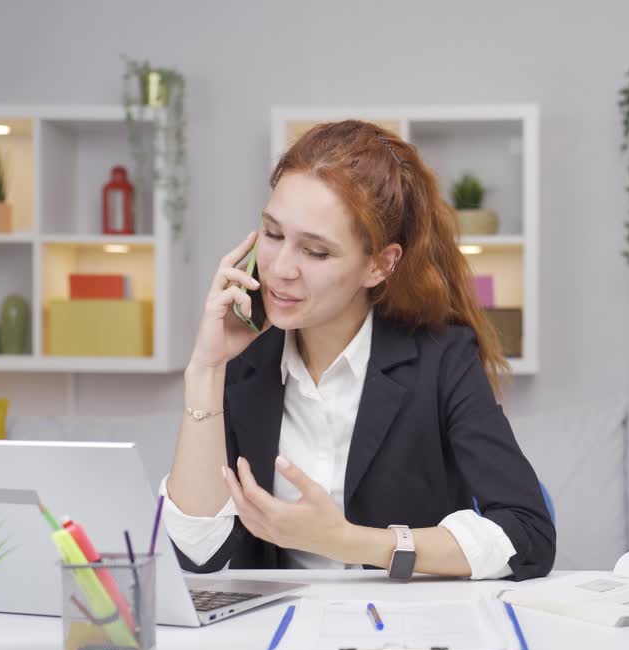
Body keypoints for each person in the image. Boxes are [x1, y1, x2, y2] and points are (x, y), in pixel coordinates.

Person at [160, 120, 554, 581]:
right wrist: (206, 370)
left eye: (317, 252)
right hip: (271, 635)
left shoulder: (441, 358)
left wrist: (345, 540)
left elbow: (527, 535)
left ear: (379, 264)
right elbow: (196, 553)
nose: (280, 269)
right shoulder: (243, 359)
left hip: (406, 634)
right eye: (272, 233)